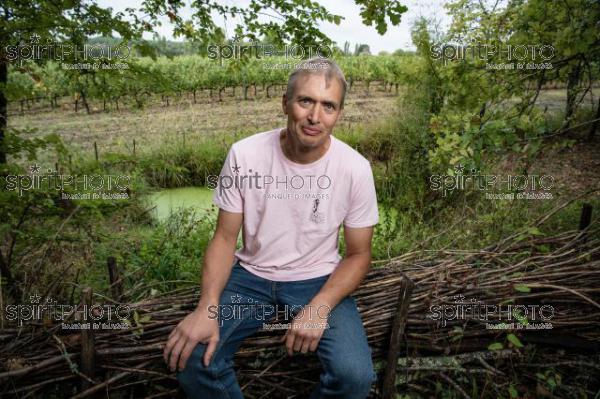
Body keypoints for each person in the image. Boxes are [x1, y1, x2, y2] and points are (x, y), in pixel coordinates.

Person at [163, 57, 379, 399]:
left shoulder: (355, 168)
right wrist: (207, 306)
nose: (314, 116)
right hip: (250, 279)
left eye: (328, 106)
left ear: (339, 113)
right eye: (305, 100)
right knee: (193, 358)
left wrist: (320, 306)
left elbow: (359, 254)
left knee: (354, 375)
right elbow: (223, 238)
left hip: (316, 279)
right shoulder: (245, 155)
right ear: (285, 103)